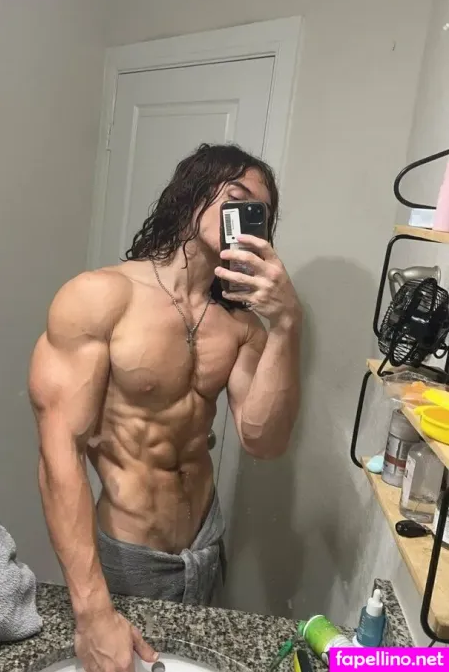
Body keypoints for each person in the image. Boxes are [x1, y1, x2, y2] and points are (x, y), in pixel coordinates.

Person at [29, 143, 301, 672]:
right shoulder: (101, 297)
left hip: (205, 546)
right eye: (235, 197)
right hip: (131, 552)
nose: (246, 216)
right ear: (192, 193)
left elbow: (264, 442)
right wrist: (92, 612)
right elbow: (58, 455)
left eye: (258, 212)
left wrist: (288, 323)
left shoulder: (241, 325)